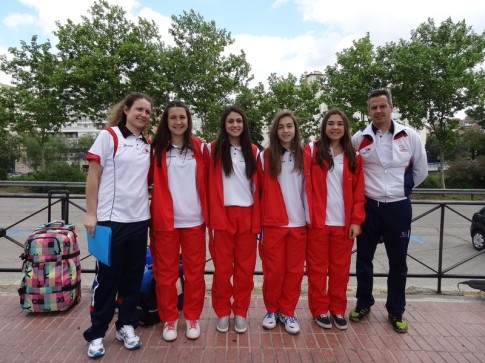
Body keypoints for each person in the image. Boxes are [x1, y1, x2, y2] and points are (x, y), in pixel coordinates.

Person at [349, 88, 428, 333]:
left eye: (382, 106)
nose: (378, 111)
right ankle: (364, 303)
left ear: (391, 107)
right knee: (363, 260)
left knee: (398, 263)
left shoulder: (410, 136)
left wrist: (399, 191)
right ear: (368, 110)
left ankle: (396, 310)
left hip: (398, 207)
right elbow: (353, 173)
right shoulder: (358, 138)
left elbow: (421, 171)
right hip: (369, 207)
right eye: (373, 107)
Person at [83, 92, 153, 358]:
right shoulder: (109, 136)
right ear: (126, 109)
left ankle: (126, 325)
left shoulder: (146, 143)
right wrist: (91, 213)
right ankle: (97, 333)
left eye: (148, 111)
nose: (144, 115)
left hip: (139, 221)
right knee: (107, 279)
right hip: (110, 222)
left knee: (133, 278)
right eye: (139, 109)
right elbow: (93, 176)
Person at [149, 100, 208, 342]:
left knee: (195, 274)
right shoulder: (156, 149)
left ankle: (192, 316)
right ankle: (170, 318)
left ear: (188, 120)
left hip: (194, 220)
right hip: (166, 222)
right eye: (172, 117)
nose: (177, 122)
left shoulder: (200, 148)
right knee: (166, 275)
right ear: (166, 121)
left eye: (182, 117)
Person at [305, 109, 365, 331]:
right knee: (317, 270)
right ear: (324, 126)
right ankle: (320, 309)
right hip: (318, 223)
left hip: (343, 224)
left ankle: (337, 309)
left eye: (340, 124)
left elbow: (359, 192)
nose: (335, 127)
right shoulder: (312, 150)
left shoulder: (354, 156)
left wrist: (356, 220)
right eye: (331, 123)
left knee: (340, 270)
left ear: (345, 127)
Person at [207, 105, 261, 334]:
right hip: (222, 215)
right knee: (222, 269)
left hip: (247, 215)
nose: (235, 125)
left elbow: (260, 186)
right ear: (224, 124)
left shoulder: (253, 150)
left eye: (239, 121)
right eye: (230, 121)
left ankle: (240, 311)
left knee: (245, 269)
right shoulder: (212, 149)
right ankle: (222, 311)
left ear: (244, 124)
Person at [259, 110, 309, 335]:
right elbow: (258, 190)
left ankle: (288, 311)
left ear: (295, 129)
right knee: (273, 272)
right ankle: (271, 309)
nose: (286, 130)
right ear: (275, 130)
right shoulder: (266, 155)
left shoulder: (305, 154)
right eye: (281, 127)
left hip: (299, 223)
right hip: (274, 224)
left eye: (289, 126)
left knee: (294, 271)